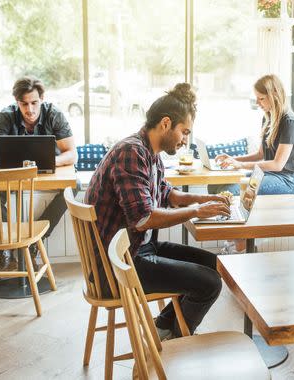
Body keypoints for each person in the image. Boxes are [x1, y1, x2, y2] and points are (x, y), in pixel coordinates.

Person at [85, 83, 229, 340]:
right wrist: (197, 211)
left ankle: (163, 327)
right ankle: (175, 340)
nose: (185, 140)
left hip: (137, 250)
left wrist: (207, 199)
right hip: (119, 266)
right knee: (209, 283)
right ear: (166, 124)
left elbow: (168, 194)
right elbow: (143, 219)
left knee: (214, 265)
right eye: (184, 132)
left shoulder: (149, 152)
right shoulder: (131, 153)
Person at [0, 76, 77, 272]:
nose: (30, 109)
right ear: (17, 102)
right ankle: (6, 251)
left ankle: (35, 243)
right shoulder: (6, 116)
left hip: (46, 174)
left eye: (34, 102)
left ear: (42, 99)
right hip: (15, 175)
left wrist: (47, 163)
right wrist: (24, 166)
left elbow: (72, 154)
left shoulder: (54, 115)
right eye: (24, 104)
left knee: (73, 188)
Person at [208, 74, 294, 253]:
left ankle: (240, 245)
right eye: (257, 99)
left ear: (274, 95)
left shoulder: (289, 122)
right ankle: (237, 239)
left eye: (261, 99)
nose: (258, 103)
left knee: (235, 190)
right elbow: (261, 154)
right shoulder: (268, 117)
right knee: (218, 186)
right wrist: (234, 160)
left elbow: (277, 165)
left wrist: (240, 166)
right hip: (270, 174)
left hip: (288, 179)